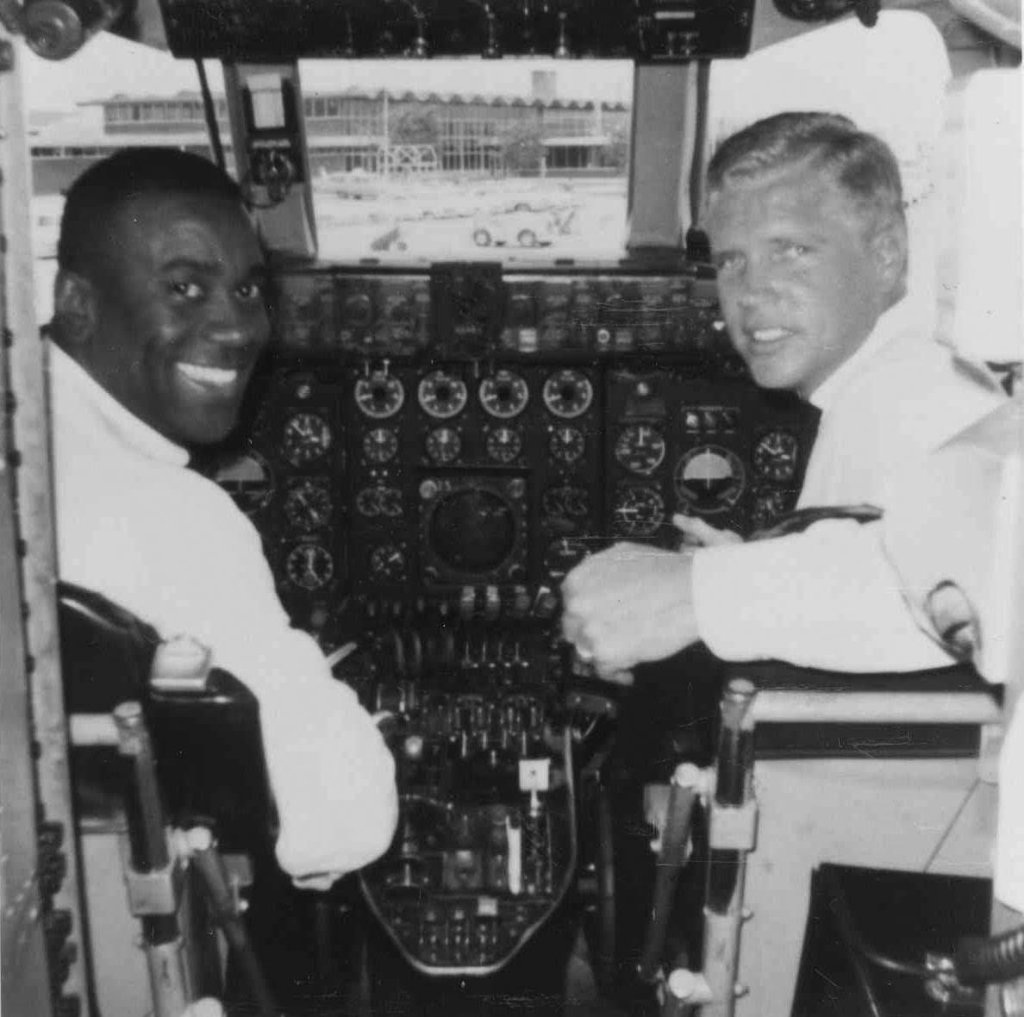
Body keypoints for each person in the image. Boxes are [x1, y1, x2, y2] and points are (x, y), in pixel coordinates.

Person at [49, 148, 398, 886]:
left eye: (246, 289)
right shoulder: (174, 518)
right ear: (77, 303)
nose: (239, 329)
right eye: (184, 287)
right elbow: (343, 821)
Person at [561, 112, 1006, 680]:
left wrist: (696, 595)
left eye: (792, 250)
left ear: (887, 254)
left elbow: (995, 567)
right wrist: (750, 564)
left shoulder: (919, 392)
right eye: (730, 261)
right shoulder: (860, 392)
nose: (751, 292)